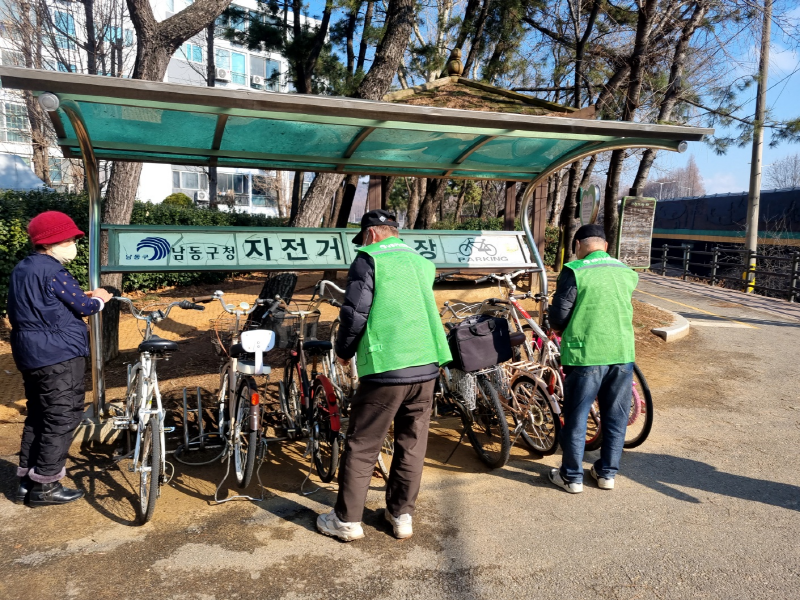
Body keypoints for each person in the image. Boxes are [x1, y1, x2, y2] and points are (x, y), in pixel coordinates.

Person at [316, 209, 452, 541]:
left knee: (363, 444)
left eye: (362, 237)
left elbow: (355, 312)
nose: (361, 244)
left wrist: (344, 351)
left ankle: (347, 520)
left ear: (373, 233)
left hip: (387, 365)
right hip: (426, 364)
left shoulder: (369, 258)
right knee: (412, 444)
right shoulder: (421, 262)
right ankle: (401, 515)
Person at [8, 211, 113, 506]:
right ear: (52, 241)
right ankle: (47, 484)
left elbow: (44, 305)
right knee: (62, 416)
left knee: (39, 415)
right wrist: (100, 297)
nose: (72, 244)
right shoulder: (53, 271)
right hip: (59, 353)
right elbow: (85, 306)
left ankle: (27, 481)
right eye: (69, 239)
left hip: (30, 352)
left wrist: (81, 298)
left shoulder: (22, 269)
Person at [547, 224, 638, 493]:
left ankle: (572, 476)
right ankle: (607, 473)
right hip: (622, 352)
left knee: (577, 416)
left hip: (586, 354)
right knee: (615, 416)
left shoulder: (575, 270)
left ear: (577, 245)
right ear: (606, 246)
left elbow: (559, 316)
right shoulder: (627, 272)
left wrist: (559, 330)